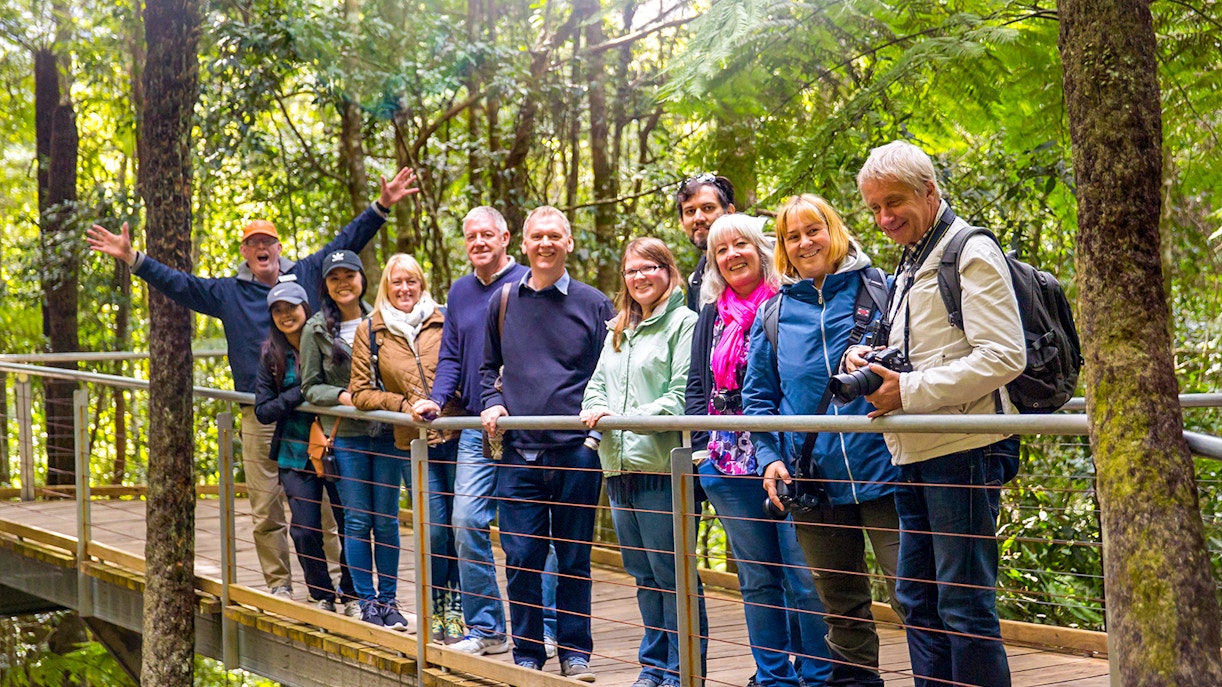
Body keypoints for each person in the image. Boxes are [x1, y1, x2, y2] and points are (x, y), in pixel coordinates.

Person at [86, 168, 419, 598]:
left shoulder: (308, 273)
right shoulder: (229, 292)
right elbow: (181, 285)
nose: (261, 249)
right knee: (265, 507)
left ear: (279, 248)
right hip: (260, 413)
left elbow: (347, 244)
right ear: (245, 252)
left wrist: (382, 205)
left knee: (327, 509)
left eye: (268, 242)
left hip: (319, 411)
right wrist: (134, 259)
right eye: (253, 244)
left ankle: (344, 588)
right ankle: (280, 586)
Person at [849, 141, 1025, 687]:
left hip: (964, 448)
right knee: (917, 599)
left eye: (894, 202)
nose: (883, 218)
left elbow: (1004, 355)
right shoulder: (912, 257)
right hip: (912, 448)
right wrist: (868, 358)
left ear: (930, 192)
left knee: (963, 604)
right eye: (874, 207)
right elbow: (925, 347)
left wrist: (909, 391)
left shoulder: (967, 251)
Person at [743, 195, 902, 686]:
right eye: (793, 236)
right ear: (783, 249)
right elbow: (758, 399)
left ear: (835, 231)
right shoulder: (773, 313)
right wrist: (769, 458)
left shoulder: (883, 291)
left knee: (914, 593)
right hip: (815, 479)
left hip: (888, 470)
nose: (805, 242)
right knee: (840, 605)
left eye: (814, 229)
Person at [412, 207, 571, 657]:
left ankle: (548, 626)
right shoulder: (460, 292)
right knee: (465, 520)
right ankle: (486, 627)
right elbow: (450, 356)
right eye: (471, 236)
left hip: (524, 427)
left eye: (487, 234)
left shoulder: (528, 281)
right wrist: (437, 402)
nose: (479, 242)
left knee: (538, 530)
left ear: (506, 238)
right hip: (476, 426)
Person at [685, 214, 832, 687]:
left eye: (740, 245)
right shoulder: (711, 313)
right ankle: (773, 677)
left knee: (803, 576)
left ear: (761, 248)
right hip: (726, 462)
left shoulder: (788, 302)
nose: (732, 256)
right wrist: (702, 450)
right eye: (720, 250)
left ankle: (817, 674)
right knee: (756, 577)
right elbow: (697, 386)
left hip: (784, 458)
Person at [480, 206, 614, 680]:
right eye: (537, 236)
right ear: (524, 244)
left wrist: (595, 437)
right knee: (521, 557)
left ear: (569, 243)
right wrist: (493, 401)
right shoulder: (502, 301)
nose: (546, 244)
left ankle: (575, 652)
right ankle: (527, 653)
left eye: (555, 236)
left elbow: (611, 374)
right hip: (518, 453)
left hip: (577, 452)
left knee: (574, 557)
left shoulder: (595, 304)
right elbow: (485, 369)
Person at [580, 238, 707, 687]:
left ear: (668, 270)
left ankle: (683, 669)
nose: (639, 277)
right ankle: (654, 668)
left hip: (661, 467)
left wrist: (623, 420)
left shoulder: (686, 324)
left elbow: (681, 398)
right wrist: (599, 411)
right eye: (631, 271)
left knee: (673, 574)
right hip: (617, 469)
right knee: (644, 576)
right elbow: (595, 388)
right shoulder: (618, 329)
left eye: (649, 267)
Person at [348, 253, 458, 632]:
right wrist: (403, 405)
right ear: (386, 288)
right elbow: (360, 393)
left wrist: (446, 401)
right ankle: (433, 611)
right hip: (414, 442)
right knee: (435, 529)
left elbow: (463, 366)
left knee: (463, 526)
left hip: (459, 435)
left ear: (422, 284)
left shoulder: (445, 318)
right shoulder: (371, 330)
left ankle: (453, 612)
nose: (405, 288)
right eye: (397, 282)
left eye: (411, 280)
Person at [253, 280, 357, 614]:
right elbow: (264, 410)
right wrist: (303, 392)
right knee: (305, 527)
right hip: (295, 451)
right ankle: (321, 592)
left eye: (291, 308)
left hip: (340, 445)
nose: (286, 316)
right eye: (278, 311)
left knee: (349, 522)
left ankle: (352, 593)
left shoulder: (331, 339)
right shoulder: (271, 355)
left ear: (305, 308)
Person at [298, 249, 381, 621]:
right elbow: (310, 387)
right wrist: (344, 397)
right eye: (334, 278)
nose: (343, 283)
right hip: (345, 433)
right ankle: (361, 597)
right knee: (354, 519)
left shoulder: (382, 319)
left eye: (350, 275)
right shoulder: (315, 328)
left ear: (362, 279)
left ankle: (386, 598)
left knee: (387, 521)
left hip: (386, 433)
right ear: (325, 286)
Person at [675, 174, 736, 312]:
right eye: (690, 211)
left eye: (708, 208)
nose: (698, 218)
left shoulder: (766, 255)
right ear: (682, 222)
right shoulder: (696, 281)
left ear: (730, 212)